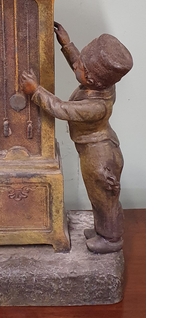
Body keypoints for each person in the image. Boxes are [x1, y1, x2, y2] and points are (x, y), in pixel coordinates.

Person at [20, 22, 133, 253]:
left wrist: (36, 91)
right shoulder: (101, 85)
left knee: (104, 199)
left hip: (99, 158)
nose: (76, 65)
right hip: (97, 152)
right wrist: (67, 44)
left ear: (91, 79)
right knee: (99, 197)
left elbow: (62, 109)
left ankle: (111, 239)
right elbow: (81, 68)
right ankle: (103, 231)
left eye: (80, 65)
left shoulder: (96, 106)